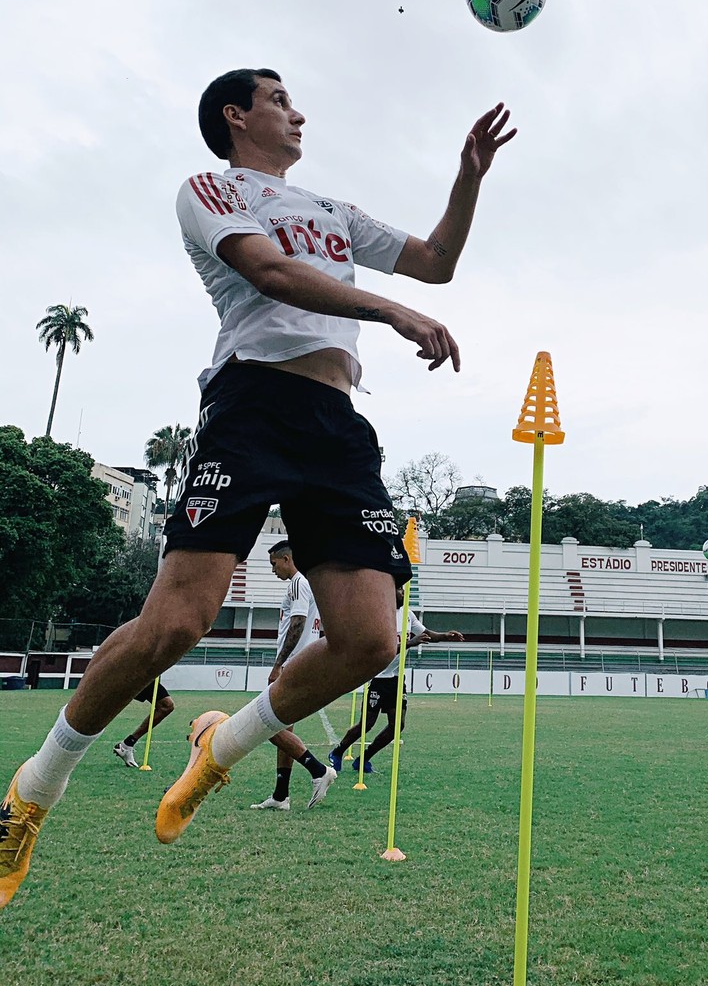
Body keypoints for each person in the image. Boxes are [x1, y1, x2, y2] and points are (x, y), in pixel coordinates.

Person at [0, 68, 515, 910]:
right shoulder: (211, 188)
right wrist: (390, 313)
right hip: (253, 404)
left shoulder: (336, 212)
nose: (298, 109)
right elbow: (270, 275)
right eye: (279, 99)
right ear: (236, 117)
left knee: (371, 640)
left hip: (336, 425)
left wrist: (468, 178)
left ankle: (220, 747)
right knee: (177, 622)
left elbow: (437, 262)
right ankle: (32, 792)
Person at [330, 587, 464, 775]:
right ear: (390, 593)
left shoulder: (408, 614)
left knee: (397, 726)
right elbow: (380, 650)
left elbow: (426, 634)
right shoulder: (379, 617)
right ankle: (337, 752)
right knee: (366, 725)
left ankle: (364, 759)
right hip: (377, 677)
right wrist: (410, 643)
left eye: (404, 590)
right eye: (400, 590)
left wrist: (445, 636)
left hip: (396, 679)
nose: (404, 593)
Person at [250, 539, 334, 811]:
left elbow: (297, 622)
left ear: (287, 559)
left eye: (274, 563)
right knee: (282, 726)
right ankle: (280, 795)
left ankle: (319, 770)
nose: (273, 570)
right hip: (303, 664)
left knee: (265, 723)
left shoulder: (298, 582)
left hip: (295, 665)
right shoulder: (310, 584)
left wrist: (279, 664)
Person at [112, 680, 175, 767]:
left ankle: (127, 744)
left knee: (166, 706)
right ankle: (126, 745)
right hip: (133, 672)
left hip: (145, 674)